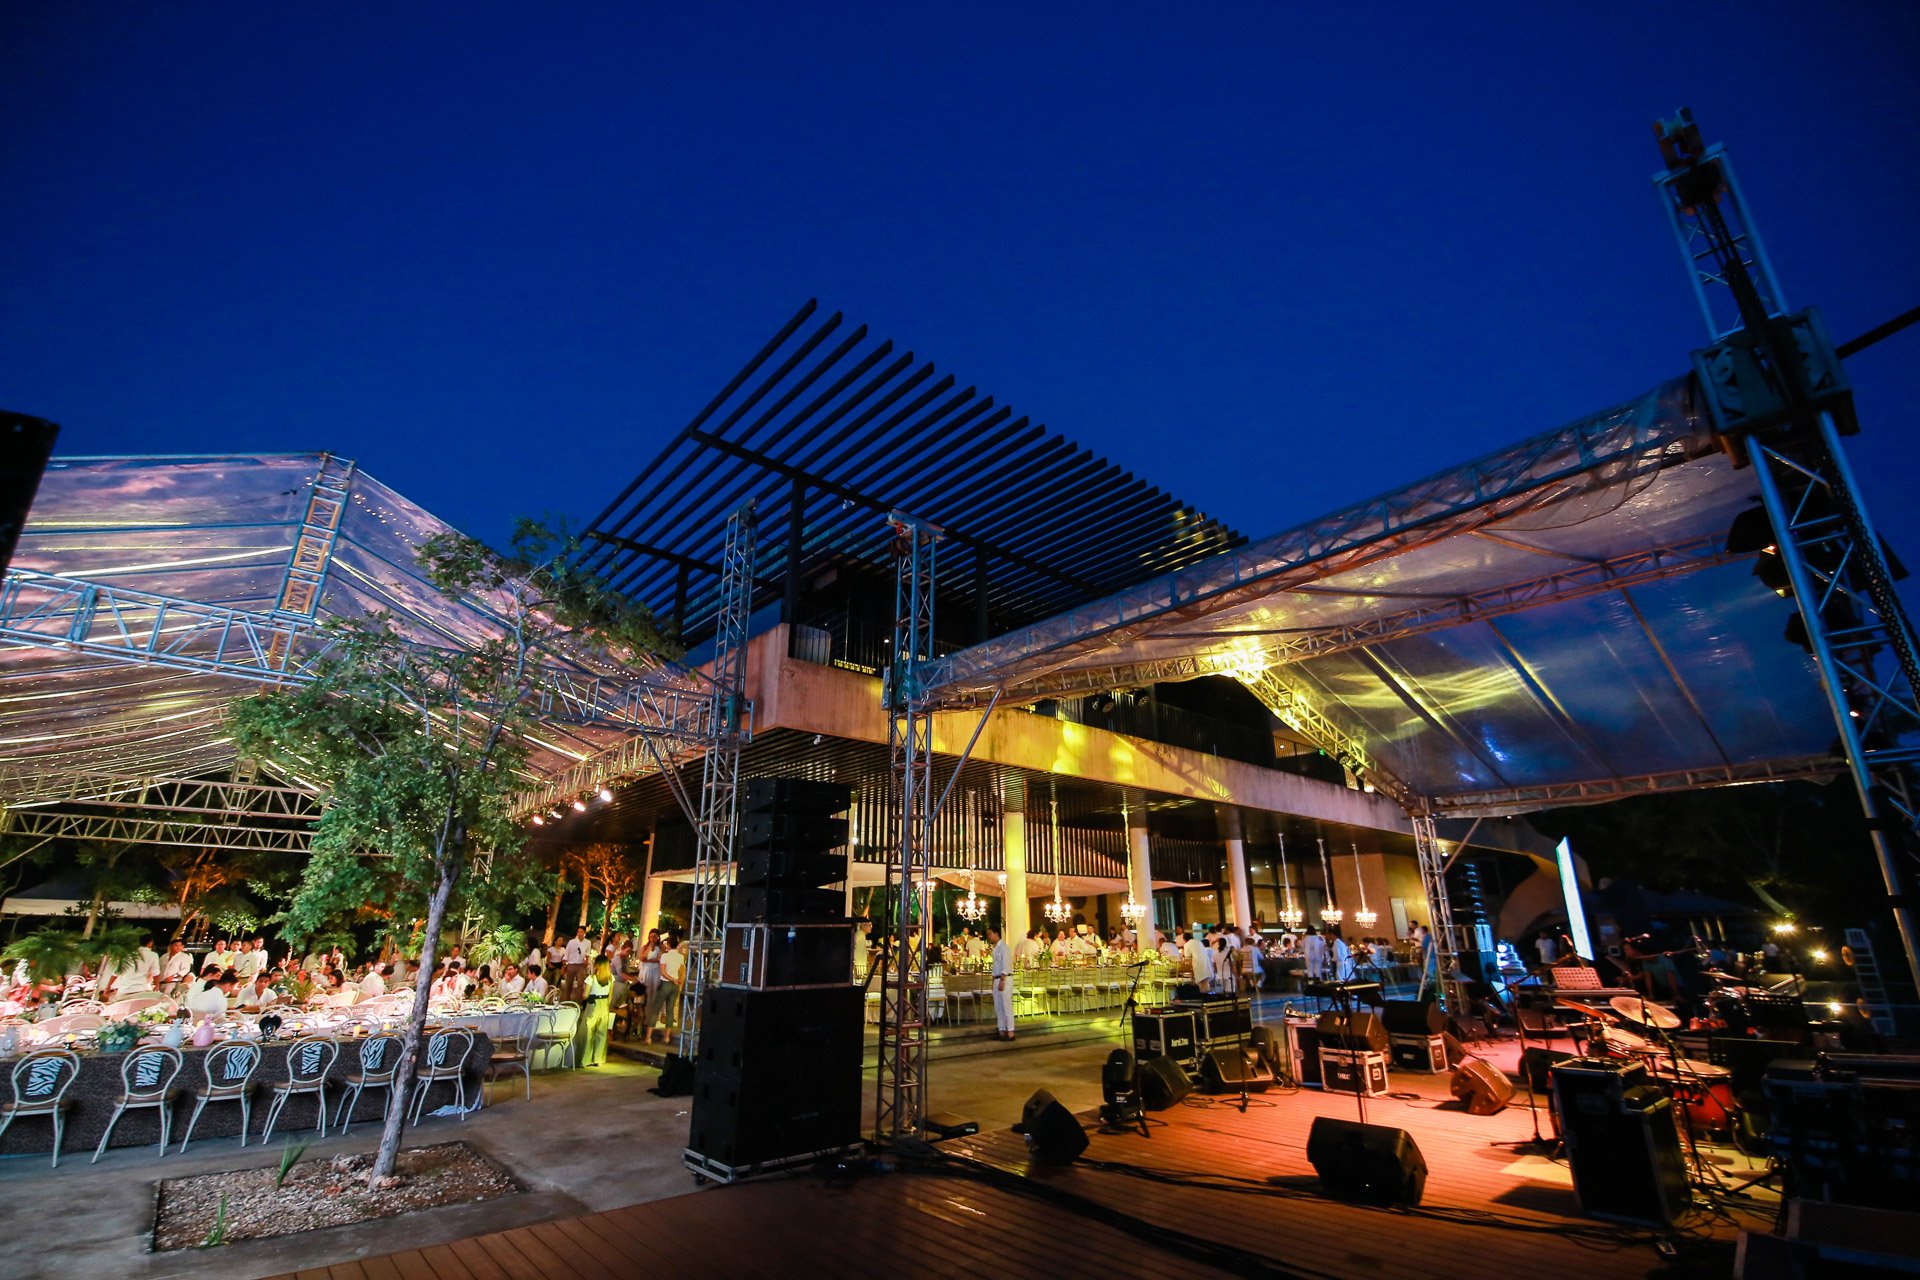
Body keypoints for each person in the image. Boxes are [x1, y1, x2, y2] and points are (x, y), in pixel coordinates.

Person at [648, 936, 686, 1044]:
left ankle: (648, 1037)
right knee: (670, 1010)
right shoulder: (681, 957)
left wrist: (672, 979)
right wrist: (678, 982)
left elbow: (663, 972)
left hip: (666, 983)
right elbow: (682, 971)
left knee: (656, 1009)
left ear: (668, 945)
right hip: (675, 985)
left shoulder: (665, 956)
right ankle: (667, 1036)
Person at [580, 958, 614, 1066]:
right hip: (604, 1004)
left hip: (593, 1004)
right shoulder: (610, 978)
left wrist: (583, 990)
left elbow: (585, 995)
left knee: (588, 1031)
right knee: (602, 1033)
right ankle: (598, 1059)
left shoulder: (591, 978)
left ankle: (585, 1059)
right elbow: (610, 995)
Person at [988, 925, 1015, 1041]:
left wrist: (1002, 979)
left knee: (1006, 1005)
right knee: (998, 1006)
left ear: (996, 933)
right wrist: (993, 981)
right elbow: (995, 966)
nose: (989, 936)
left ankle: (1010, 1031)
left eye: (990, 934)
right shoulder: (994, 949)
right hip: (997, 978)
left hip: (1004, 978)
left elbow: (1006, 964)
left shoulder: (1004, 947)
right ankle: (1002, 1029)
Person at [562, 926, 589, 1002]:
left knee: (580, 984)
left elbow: (587, 953)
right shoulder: (571, 942)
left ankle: (578, 1001)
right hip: (571, 964)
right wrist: (564, 964)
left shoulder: (588, 942)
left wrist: (586, 961)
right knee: (568, 984)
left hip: (581, 965)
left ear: (584, 933)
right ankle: (566, 1000)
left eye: (581, 932)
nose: (579, 933)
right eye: (578, 932)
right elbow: (567, 953)